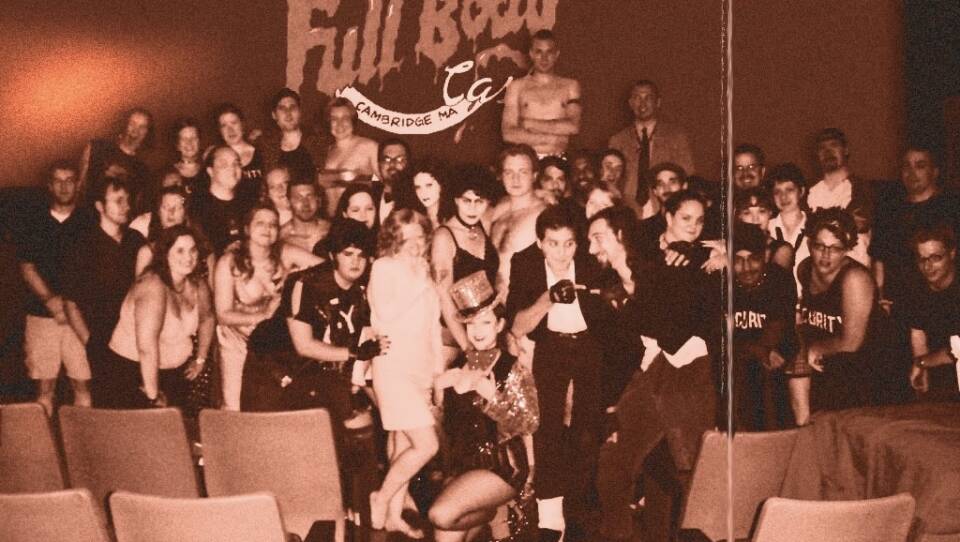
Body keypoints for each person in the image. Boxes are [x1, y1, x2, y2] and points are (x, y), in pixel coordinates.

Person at [594, 190, 720, 542]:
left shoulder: (707, 259)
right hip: (654, 367)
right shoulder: (645, 249)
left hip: (689, 368)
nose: (693, 227)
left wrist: (717, 256)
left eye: (699, 220)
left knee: (683, 471)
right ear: (667, 217)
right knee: (619, 463)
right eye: (685, 219)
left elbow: (687, 319)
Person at [506, 205, 607, 541]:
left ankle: (576, 512)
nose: (561, 253)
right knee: (546, 428)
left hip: (591, 346)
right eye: (553, 243)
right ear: (540, 243)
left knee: (587, 432)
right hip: (549, 347)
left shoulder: (592, 262)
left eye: (568, 244)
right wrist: (547, 298)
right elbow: (518, 326)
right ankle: (550, 519)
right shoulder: (525, 263)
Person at [430, 273, 539, 542]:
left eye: (486, 322)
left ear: (500, 325)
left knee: (441, 514)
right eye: (471, 325)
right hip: (464, 467)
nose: (478, 331)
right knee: (444, 536)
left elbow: (529, 424)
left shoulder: (512, 368)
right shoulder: (457, 368)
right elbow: (446, 428)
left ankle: (489, 514)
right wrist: (437, 393)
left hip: (502, 467)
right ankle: (486, 519)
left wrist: (494, 399)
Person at [368, 209, 444, 539]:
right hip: (393, 366)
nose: (414, 244)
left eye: (419, 237)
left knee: (401, 446)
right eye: (406, 237)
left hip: (420, 370)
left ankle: (394, 517)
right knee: (427, 445)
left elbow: (431, 329)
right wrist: (419, 279)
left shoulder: (424, 273)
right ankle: (381, 497)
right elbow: (386, 312)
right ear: (393, 238)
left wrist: (437, 374)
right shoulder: (384, 267)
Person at [214, 203, 322, 411]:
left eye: (273, 224)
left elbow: (326, 270)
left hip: (274, 346)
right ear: (247, 228)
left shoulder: (285, 253)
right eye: (260, 223)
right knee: (235, 407)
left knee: (276, 405)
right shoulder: (229, 262)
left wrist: (295, 282)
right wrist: (264, 314)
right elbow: (223, 314)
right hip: (237, 342)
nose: (267, 228)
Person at [104, 225, 213, 408]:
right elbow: (146, 348)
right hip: (133, 372)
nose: (188, 257)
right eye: (180, 251)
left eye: (193, 250)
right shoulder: (152, 286)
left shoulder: (196, 283)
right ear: (165, 254)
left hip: (174, 373)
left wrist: (200, 358)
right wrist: (153, 396)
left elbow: (207, 318)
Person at [789, 207, 880, 425]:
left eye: (836, 248)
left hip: (865, 363)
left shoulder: (855, 279)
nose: (826, 255)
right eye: (820, 246)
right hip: (827, 357)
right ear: (810, 244)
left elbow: (852, 342)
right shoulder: (805, 269)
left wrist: (813, 349)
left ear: (847, 249)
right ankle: (802, 433)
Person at [63, 177, 145, 408]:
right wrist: (91, 345)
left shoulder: (135, 241)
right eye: (118, 200)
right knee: (108, 410)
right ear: (99, 206)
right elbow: (71, 304)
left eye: (127, 201)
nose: (125, 206)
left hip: (134, 340)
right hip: (102, 345)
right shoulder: (83, 245)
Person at [18, 160, 92, 414]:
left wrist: (70, 308)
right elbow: (27, 268)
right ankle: (46, 449)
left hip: (79, 318)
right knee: (44, 393)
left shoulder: (89, 221)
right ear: (49, 185)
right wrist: (51, 301)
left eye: (69, 180)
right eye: (58, 181)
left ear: (77, 184)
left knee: (83, 389)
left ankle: (81, 450)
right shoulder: (33, 221)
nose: (64, 186)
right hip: (41, 316)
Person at [871, 145, 960, 318]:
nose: (912, 173)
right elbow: (879, 257)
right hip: (898, 304)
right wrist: (880, 294)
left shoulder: (952, 207)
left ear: (934, 172)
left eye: (920, 166)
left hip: (942, 303)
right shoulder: (889, 209)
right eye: (907, 166)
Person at [731, 222, 796, 430]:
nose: (747, 268)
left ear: (765, 256)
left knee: (769, 374)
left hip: (770, 362)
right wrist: (756, 350)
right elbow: (718, 336)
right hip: (736, 362)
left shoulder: (779, 280)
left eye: (753, 259)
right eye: (739, 261)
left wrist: (766, 351)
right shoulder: (722, 283)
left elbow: (784, 331)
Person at [433, 164, 500, 356]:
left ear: (487, 201)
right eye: (466, 200)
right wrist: (467, 347)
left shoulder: (482, 226)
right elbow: (444, 297)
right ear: (455, 199)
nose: (472, 208)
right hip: (452, 337)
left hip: (483, 332)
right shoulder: (444, 236)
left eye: (479, 201)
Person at [608, 80, 694, 210]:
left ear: (658, 102)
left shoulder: (676, 138)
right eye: (637, 98)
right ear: (630, 103)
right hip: (628, 211)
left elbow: (688, 176)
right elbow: (609, 182)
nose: (642, 103)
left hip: (665, 209)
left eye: (648, 97)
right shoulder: (617, 140)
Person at [501, 29, 582, 158]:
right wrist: (550, 139)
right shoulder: (516, 87)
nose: (544, 58)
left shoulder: (570, 86)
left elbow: (573, 126)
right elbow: (508, 133)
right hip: (526, 160)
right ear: (531, 54)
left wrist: (530, 124)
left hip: (559, 160)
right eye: (539, 52)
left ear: (557, 54)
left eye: (549, 52)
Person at [903, 225, 960, 402]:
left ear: (952, 253)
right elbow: (918, 334)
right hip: (942, 375)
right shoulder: (916, 290)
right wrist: (922, 369)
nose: (928, 266)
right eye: (922, 259)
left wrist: (922, 363)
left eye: (935, 258)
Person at [491, 145, 549, 298]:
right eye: (508, 172)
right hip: (496, 304)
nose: (515, 179)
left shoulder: (543, 214)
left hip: (525, 302)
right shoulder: (498, 209)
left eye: (523, 172)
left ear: (534, 175)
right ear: (501, 176)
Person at [78, 107, 154, 211]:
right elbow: (79, 185)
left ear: (147, 133)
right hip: (87, 214)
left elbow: (137, 206)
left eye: (142, 127)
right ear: (124, 124)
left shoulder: (143, 169)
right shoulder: (97, 147)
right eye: (132, 123)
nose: (135, 130)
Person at [133, 185, 215, 280]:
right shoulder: (148, 253)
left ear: (185, 213)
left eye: (177, 207)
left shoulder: (203, 249)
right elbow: (141, 291)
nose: (171, 212)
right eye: (165, 207)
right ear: (159, 212)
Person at [190, 145, 256, 256]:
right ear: (210, 171)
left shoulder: (249, 203)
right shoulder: (198, 208)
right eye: (224, 165)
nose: (232, 169)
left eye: (236, 164)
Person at [319, 97, 380, 216]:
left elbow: (389, 185)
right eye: (334, 119)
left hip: (358, 222)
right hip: (333, 223)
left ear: (352, 120)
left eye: (345, 118)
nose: (340, 123)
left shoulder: (369, 146)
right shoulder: (327, 151)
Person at [260, 88, 327, 185]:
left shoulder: (319, 142)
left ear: (300, 112)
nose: (288, 113)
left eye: (292, 107)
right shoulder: (266, 148)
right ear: (274, 115)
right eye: (282, 108)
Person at [766, 163, 809, 295]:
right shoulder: (766, 227)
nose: (783, 197)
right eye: (777, 192)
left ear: (801, 191)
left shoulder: (815, 228)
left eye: (789, 190)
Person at [734, 187, 794, 270]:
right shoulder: (730, 246)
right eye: (747, 213)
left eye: (761, 211)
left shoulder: (782, 250)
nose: (755, 219)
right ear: (739, 216)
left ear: (770, 213)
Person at [393, 158, 454, 230]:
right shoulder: (412, 221)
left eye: (429, 185)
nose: (423, 192)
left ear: (442, 185)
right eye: (418, 187)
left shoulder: (454, 219)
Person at [280, 175, 330, 253]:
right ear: (288, 202)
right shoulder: (280, 238)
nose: (305, 203)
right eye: (298, 198)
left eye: (310, 196)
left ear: (318, 200)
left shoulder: (332, 231)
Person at [373, 138, 411, 223]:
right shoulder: (371, 196)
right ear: (379, 165)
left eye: (400, 160)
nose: (392, 164)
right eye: (387, 159)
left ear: (408, 164)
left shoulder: (419, 196)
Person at [169, 117, 208, 198]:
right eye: (184, 139)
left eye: (193, 138)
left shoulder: (209, 171)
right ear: (177, 144)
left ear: (199, 141)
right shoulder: (165, 173)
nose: (189, 143)